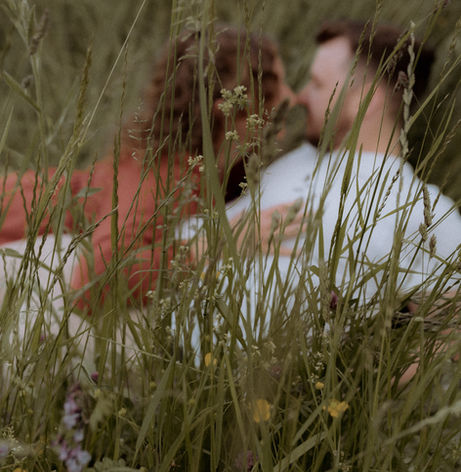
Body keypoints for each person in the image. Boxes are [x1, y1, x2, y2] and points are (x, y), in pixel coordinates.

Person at [0, 24, 293, 313]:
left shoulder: (213, 169)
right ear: (230, 107)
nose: (291, 98)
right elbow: (97, 278)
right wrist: (209, 249)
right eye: (278, 87)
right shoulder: (163, 174)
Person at [224, 19, 461, 305]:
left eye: (317, 83)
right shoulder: (298, 157)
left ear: (365, 99)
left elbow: (446, 328)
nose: (300, 97)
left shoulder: (427, 212)